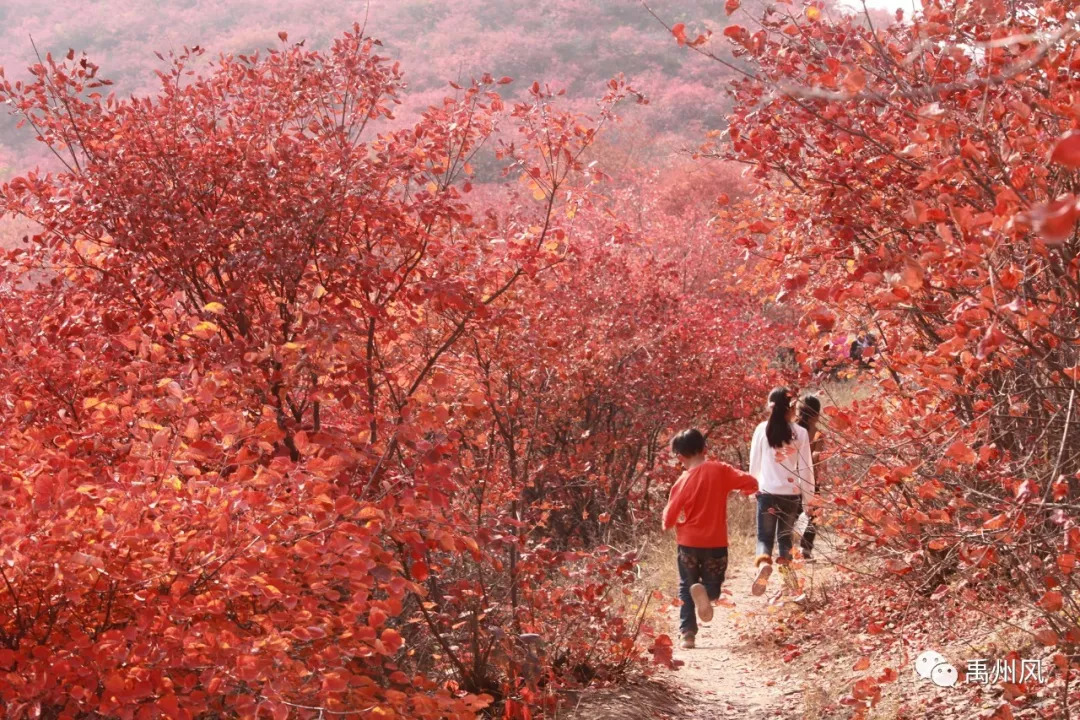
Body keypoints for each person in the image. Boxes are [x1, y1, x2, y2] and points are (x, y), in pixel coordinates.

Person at [663, 428, 758, 649]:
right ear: (705, 449)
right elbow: (751, 482)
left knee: (686, 585)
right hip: (715, 542)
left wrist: (668, 525)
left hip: (687, 543)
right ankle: (708, 594)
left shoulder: (682, 481)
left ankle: (687, 634)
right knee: (713, 586)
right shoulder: (720, 470)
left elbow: (669, 515)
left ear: (680, 457)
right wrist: (745, 491)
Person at [748, 387, 815, 596]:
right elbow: (806, 468)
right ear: (792, 407)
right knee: (785, 540)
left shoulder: (761, 429)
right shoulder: (801, 433)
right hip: (791, 494)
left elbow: (754, 463)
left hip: (767, 493)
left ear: (770, 407)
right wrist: (808, 499)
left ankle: (763, 566)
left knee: (763, 539)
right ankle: (788, 583)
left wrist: (752, 490)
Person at [796, 395, 824, 560]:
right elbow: (817, 459)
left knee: (794, 513)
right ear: (817, 414)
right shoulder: (818, 434)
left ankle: (789, 547)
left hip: (792, 477)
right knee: (812, 514)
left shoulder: (794, 431)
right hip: (811, 478)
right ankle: (805, 549)